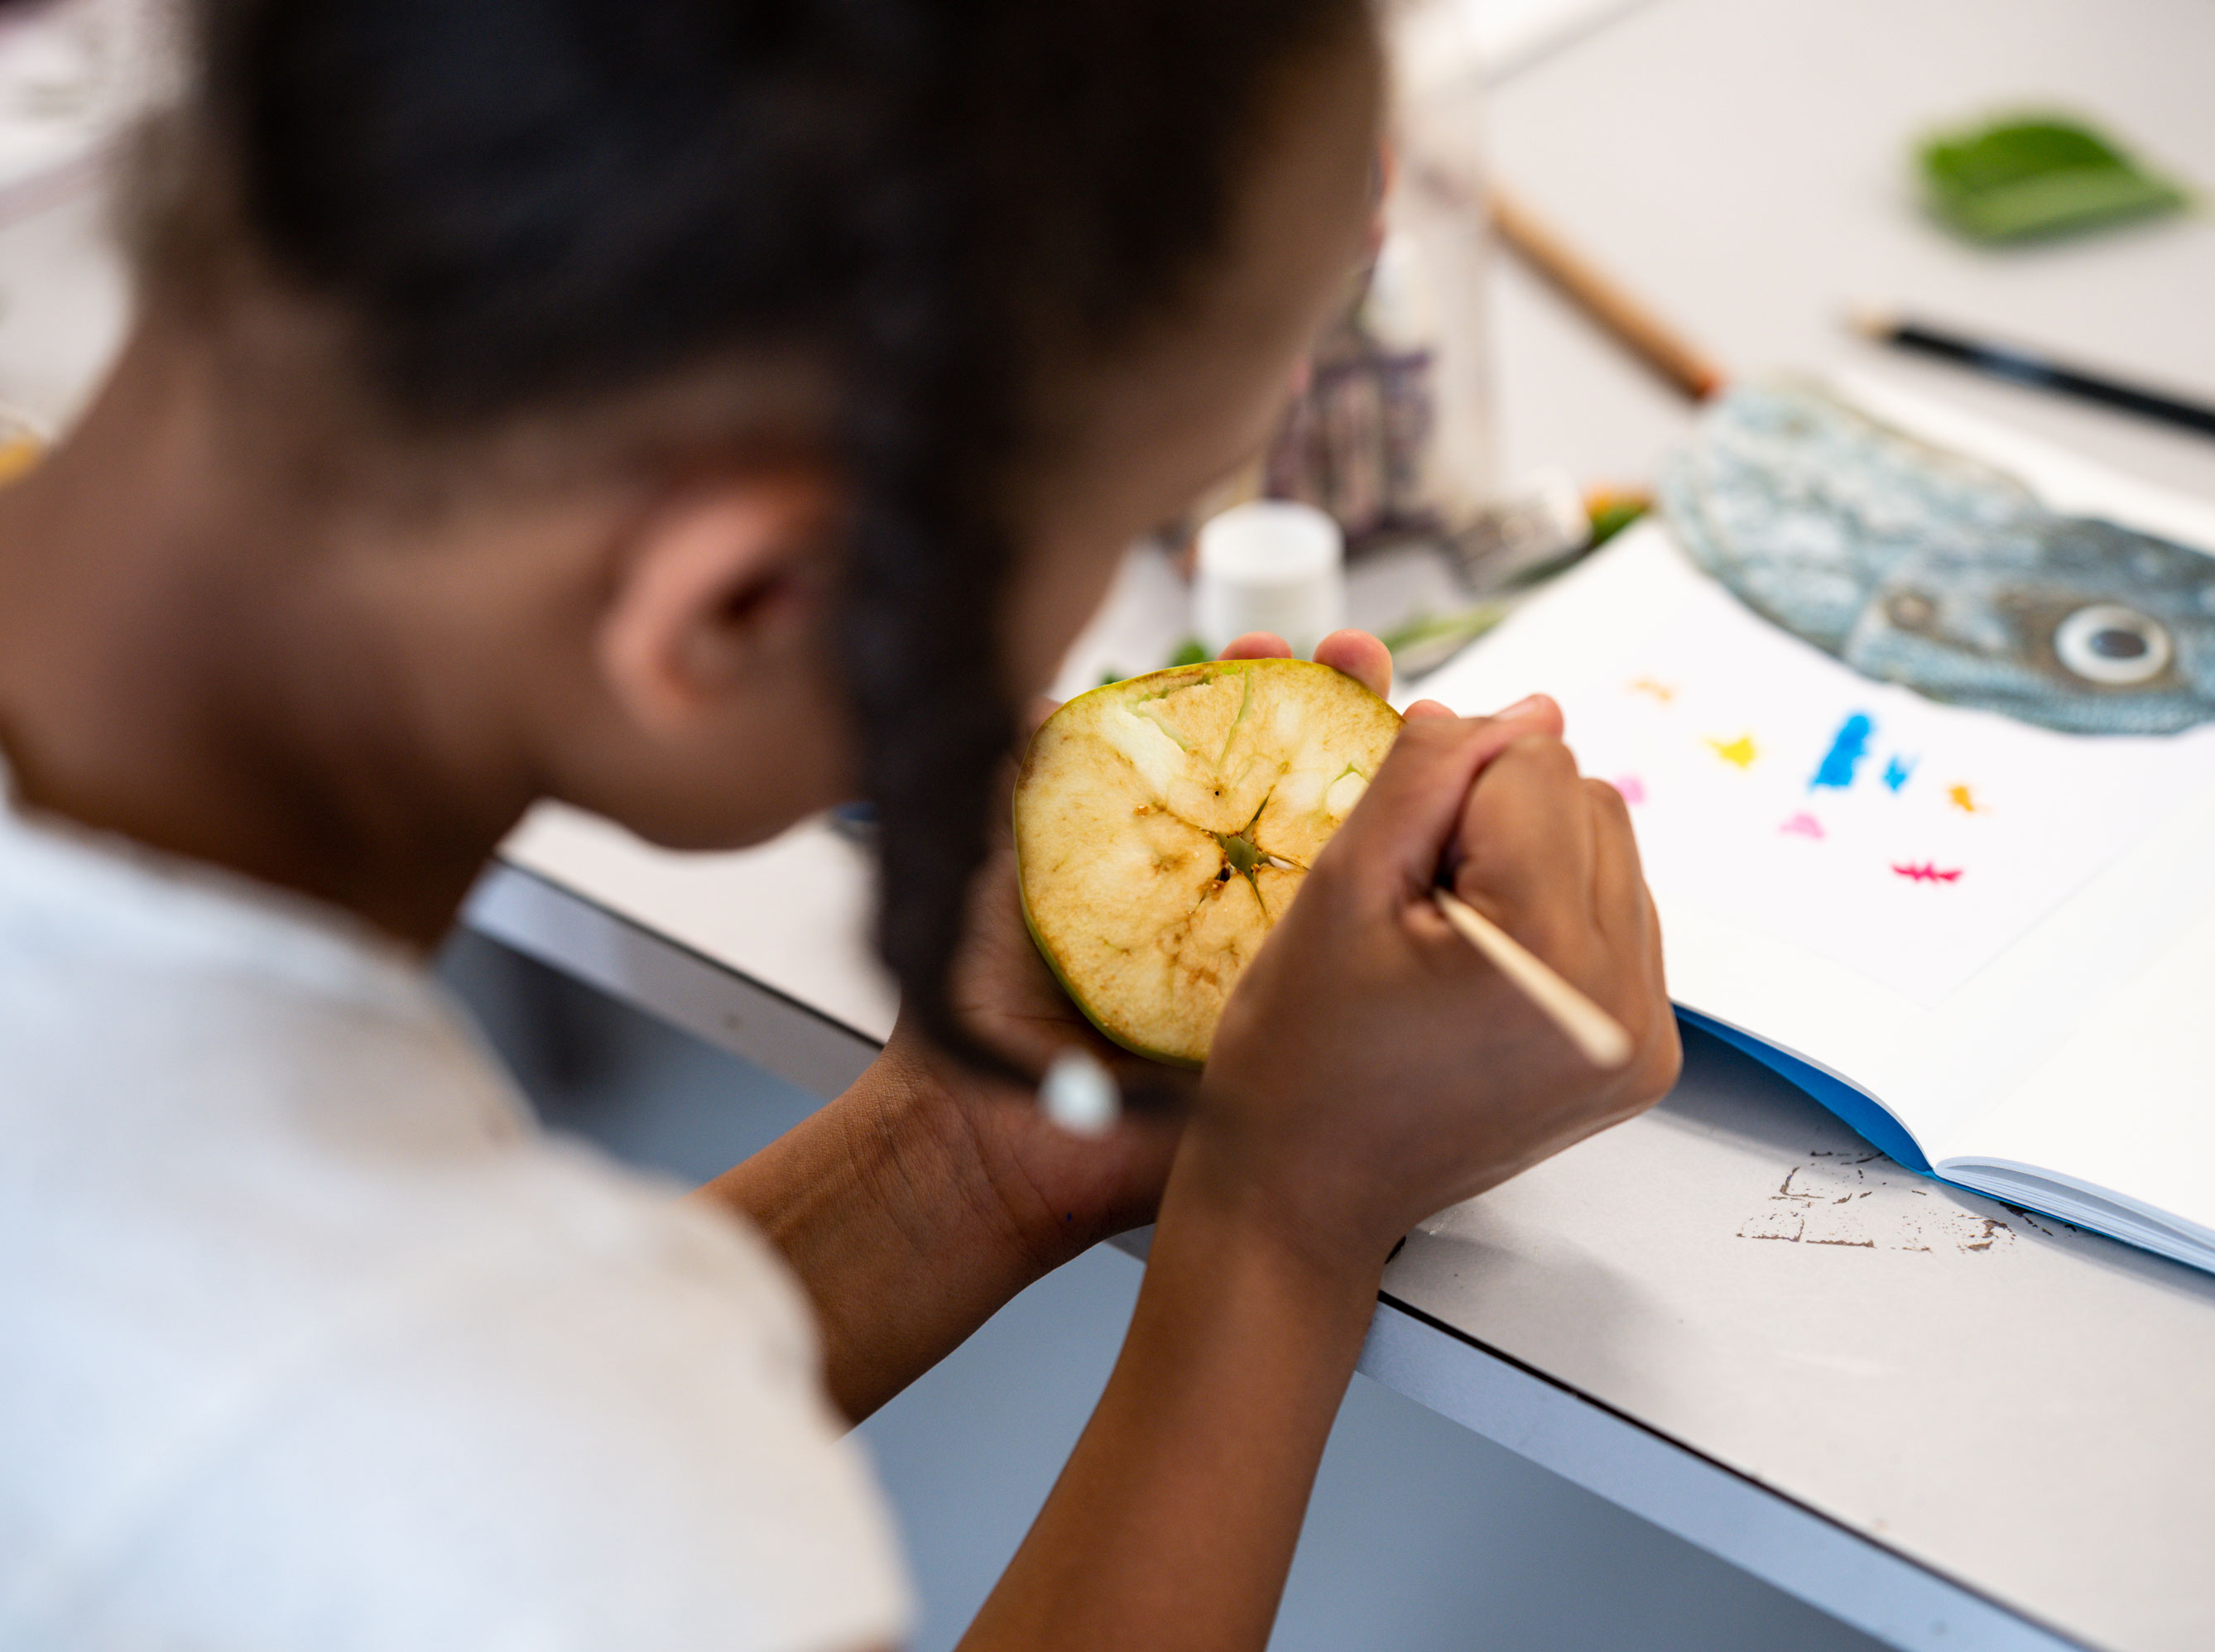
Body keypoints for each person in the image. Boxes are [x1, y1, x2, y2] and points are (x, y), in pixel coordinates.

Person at [0, 0, 1680, 1646]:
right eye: (1133, 517)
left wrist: (956, 1153)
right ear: (744, 603)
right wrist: (1282, 1223)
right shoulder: (430, 1477)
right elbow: (430, 1471)